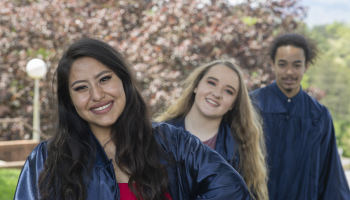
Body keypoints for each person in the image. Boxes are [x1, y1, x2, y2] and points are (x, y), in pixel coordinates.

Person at [14, 38, 252, 200]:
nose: (97, 95)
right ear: (69, 100)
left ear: (124, 82)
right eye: (81, 88)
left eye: (105, 79)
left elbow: (232, 191)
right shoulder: (45, 160)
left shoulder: (174, 143)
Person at [249, 33, 350, 200]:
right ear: (273, 65)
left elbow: (330, 174)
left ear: (306, 67)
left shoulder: (318, 115)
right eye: (282, 64)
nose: (290, 72)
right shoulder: (252, 105)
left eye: (297, 65)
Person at [156, 60, 268, 200]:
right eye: (212, 82)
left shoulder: (240, 150)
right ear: (196, 86)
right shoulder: (158, 135)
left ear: (233, 104)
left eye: (228, 91)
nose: (217, 93)